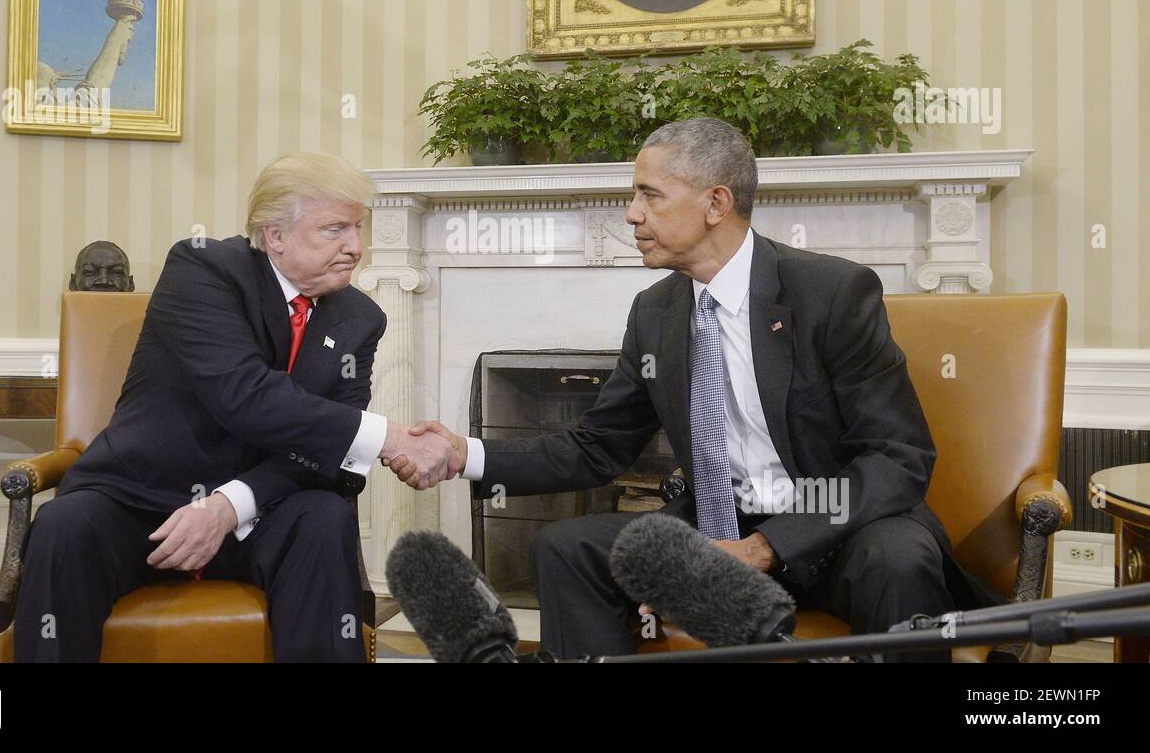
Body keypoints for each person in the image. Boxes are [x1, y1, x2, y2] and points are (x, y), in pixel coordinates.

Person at [396, 118, 1003, 662]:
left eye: (649, 195)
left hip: (840, 530)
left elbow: (898, 456)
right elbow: (596, 446)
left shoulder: (832, 293)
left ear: (716, 202)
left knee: (897, 559)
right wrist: (464, 454)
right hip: (718, 529)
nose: (631, 214)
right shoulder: (655, 311)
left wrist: (769, 545)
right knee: (568, 546)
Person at [15, 151, 459, 662]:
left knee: (322, 515)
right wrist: (397, 439)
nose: (355, 247)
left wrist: (229, 506)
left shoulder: (360, 318)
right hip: (141, 499)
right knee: (64, 526)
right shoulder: (203, 269)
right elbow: (245, 396)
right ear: (275, 235)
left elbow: (330, 456)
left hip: (259, 513)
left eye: (359, 228)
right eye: (335, 229)